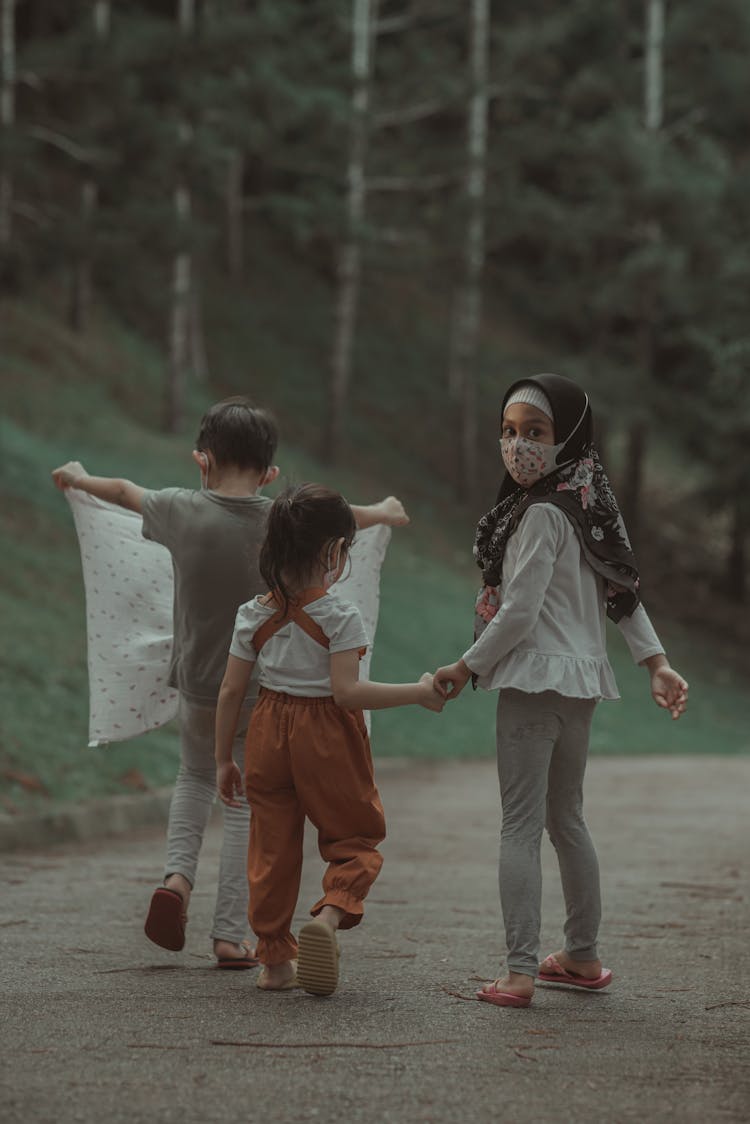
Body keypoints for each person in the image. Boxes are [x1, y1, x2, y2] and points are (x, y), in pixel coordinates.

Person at [51, 397, 410, 969]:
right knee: (248, 807)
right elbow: (338, 520)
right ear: (270, 474)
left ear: (202, 460)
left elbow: (121, 490)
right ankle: (228, 934)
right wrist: (384, 510)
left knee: (193, 779)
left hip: (196, 685)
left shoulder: (179, 510)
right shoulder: (281, 520)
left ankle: (176, 879)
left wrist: (77, 477)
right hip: (265, 695)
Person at [433, 374, 689, 1009]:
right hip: (577, 685)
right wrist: (655, 662)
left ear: (569, 437)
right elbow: (621, 595)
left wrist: (465, 667)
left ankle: (520, 971)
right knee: (566, 819)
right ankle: (580, 954)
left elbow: (518, 613)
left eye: (536, 434)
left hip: (531, 679)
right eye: (510, 432)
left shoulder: (543, 514)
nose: (519, 445)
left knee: (520, 824)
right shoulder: (585, 507)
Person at [215, 482, 443, 995]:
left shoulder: (252, 613)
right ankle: (331, 915)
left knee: (270, 849)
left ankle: (273, 961)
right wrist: (420, 692)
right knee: (354, 837)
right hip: (325, 735)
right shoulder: (340, 616)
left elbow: (231, 690)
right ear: (332, 551)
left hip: (266, 730)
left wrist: (221, 758)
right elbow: (347, 692)